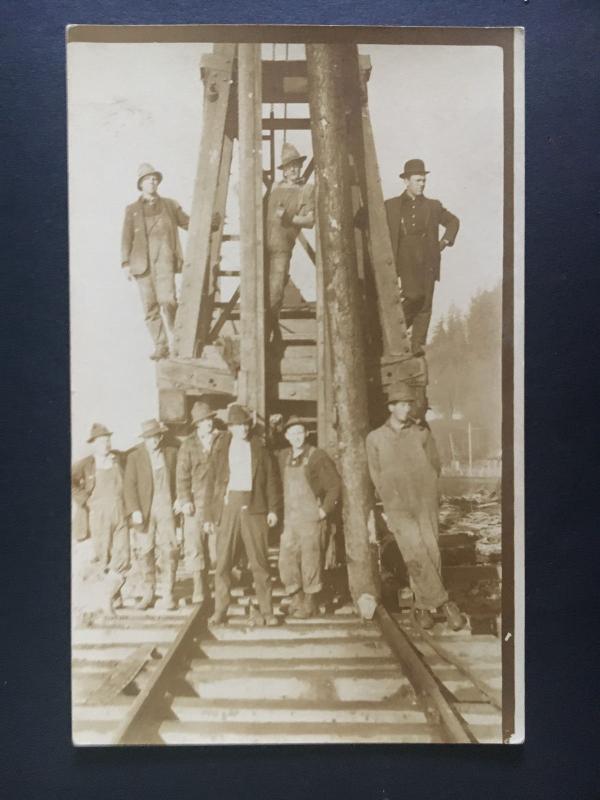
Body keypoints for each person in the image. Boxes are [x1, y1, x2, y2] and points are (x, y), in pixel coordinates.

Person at [365, 384, 464, 631]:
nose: (405, 408)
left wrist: (427, 487)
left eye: (408, 404)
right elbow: (375, 474)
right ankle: (445, 603)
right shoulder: (375, 438)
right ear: (390, 407)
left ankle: (420, 607)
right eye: (400, 404)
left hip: (424, 501)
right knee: (414, 552)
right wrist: (388, 501)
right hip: (397, 505)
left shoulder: (421, 433)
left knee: (431, 550)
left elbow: (435, 464)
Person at [203, 404, 281, 627]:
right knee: (223, 563)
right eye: (238, 426)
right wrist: (209, 516)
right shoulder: (221, 448)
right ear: (230, 428)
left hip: (254, 506)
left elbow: (272, 482)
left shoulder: (260, 448)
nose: (243, 429)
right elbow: (211, 484)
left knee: (260, 562)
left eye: (246, 425)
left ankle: (267, 612)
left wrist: (273, 510)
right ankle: (220, 610)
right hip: (228, 507)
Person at [384, 159, 459, 356]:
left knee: (425, 303)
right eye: (418, 180)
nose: (422, 184)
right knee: (413, 295)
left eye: (424, 180)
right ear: (406, 181)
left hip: (428, 258)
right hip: (404, 256)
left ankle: (417, 346)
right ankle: (393, 330)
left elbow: (453, 222)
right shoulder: (391, 206)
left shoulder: (433, 206)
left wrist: (443, 243)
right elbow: (367, 218)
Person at [121, 163, 189, 360]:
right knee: (150, 307)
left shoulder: (169, 205)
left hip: (165, 260)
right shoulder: (132, 210)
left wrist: (211, 223)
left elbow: (188, 223)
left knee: (168, 301)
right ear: (140, 185)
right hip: (142, 265)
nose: (152, 182)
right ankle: (161, 346)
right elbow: (126, 238)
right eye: (147, 179)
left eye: (154, 179)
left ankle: (179, 341)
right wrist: (125, 263)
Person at [277, 417, 341, 619]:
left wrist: (324, 511)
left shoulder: (317, 456)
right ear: (286, 436)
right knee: (287, 559)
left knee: (310, 560)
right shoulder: (284, 456)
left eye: (300, 433)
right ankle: (296, 598)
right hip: (290, 519)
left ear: (306, 434)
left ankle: (310, 603)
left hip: (311, 518)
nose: (296, 437)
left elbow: (334, 486)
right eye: (292, 433)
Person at [71, 423, 130, 615]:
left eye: (108, 440)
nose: (106, 444)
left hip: (120, 511)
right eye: (102, 441)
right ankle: (108, 600)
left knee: (123, 556)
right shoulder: (87, 464)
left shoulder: (118, 459)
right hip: (98, 514)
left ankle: (111, 594)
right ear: (94, 444)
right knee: (103, 557)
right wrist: (82, 499)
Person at [124, 418, 179, 610]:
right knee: (145, 550)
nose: (154, 441)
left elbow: (179, 478)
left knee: (170, 549)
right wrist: (134, 510)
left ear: (160, 436)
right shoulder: (135, 456)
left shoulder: (171, 453)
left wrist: (179, 498)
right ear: (144, 439)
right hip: (144, 509)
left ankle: (168, 593)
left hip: (166, 507)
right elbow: (129, 486)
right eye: (149, 438)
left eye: (156, 437)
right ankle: (149, 592)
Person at [266, 143, 315, 344]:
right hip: (261, 246)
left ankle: (269, 332)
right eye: (289, 166)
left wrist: (289, 218)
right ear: (284, 170)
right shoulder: (273, 187)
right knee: (259, 293)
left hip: (281, 249)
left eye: (296, 165)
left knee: (275, 293)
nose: (293, 169)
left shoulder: (306, 190)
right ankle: (269, 330)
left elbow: (310, 221)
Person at [176, 401, 223, 606]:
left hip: (217, 502)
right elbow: (182, 476)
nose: (208, 424)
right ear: (197, 424)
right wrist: (185, 500)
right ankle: (199, 587)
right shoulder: (188, 445)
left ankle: (218, 584)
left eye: (209, 419)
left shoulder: (222, 440)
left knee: (216, 548)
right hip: (195, 503)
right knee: (195, 546)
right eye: (203, 421)